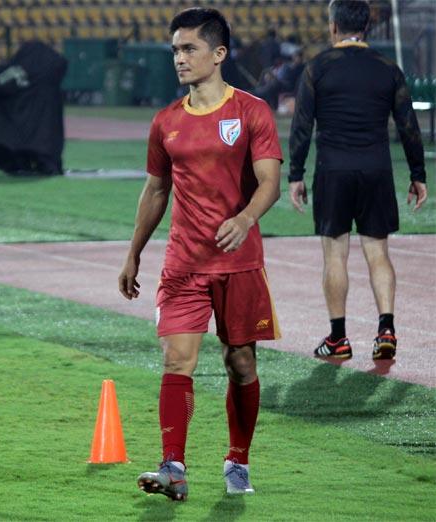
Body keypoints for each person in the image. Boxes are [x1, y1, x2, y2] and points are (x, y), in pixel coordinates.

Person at [118, 7, 282, 500]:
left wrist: (245, 218)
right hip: (184, 264)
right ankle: (173, 467)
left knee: (241, 364)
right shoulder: (165, 121)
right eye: (175, 50)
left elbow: (270, 182)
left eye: (189, 49)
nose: (180, 59)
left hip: (239, 264)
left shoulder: (252, 112)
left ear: (219, 54)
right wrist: (133, 254)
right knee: (177, 360)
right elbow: (154, 191)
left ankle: (238, 460)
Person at [289, 0, 427, 361]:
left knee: (335, 253)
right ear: (366, 26)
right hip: (376, 170)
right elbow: (408, 127)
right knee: (378, 252)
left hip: (333, 172)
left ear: (333, 25)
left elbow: (301, 127)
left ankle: (338, 338)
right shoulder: (388, 68)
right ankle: (386, 330)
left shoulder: (317, 68)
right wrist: (418, 175)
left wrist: (295, 175)